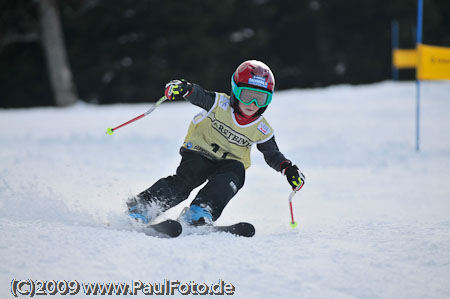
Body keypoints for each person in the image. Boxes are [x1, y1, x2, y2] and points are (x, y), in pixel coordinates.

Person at [127, 60, 305, 226]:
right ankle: (144, 205)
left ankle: (200, 212)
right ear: (235, 91)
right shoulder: (220, 104)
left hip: (228, 163)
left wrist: (287, 169)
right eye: (247, 96)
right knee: (189, 178)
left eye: (260, 99)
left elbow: (272, 153)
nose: (251, 104)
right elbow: (198, 95)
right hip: (199, 152)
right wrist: (183, 88)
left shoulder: (261, 128)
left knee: (236, 172)